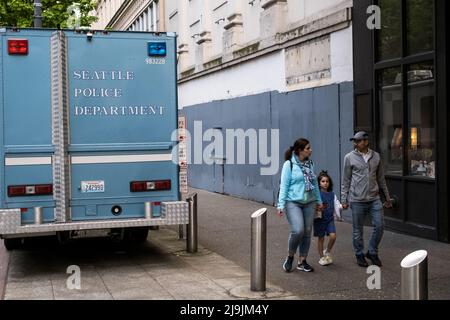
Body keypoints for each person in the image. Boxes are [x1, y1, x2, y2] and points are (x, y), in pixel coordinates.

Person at [341, 131, 392, 267]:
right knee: (358, 230)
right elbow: (345, 180)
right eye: (355, 141)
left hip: (374, 198)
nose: (355, 143)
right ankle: (359, 254)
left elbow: (381, 179)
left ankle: (372, 251)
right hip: (357, 200)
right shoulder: (349, 157)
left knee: (380, 226)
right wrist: (344, 199)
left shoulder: (376, 156)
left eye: (358, 141)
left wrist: (387, 198)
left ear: (366, 142)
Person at [277, 138, 324, 273]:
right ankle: (290, 256)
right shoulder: (289, 165)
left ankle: (302, 261)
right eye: (308, 148)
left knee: (307, 232)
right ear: (299, 150)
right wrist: (280, 205)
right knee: (298, 230)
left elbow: (314, 184)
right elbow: (284, 185)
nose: (311, 150)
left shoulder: (310, 164)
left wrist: (319, 201)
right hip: (293, 202)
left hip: (310, 202)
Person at [314, 171, 344, 266]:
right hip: (319, 220)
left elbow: (337, 204)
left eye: (327, 181)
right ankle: (321, 257)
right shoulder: (316, 194)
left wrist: (342, 206)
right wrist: (317, 208)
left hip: (329, 219)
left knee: (333, 236)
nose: (325, 183)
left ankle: (327, 251)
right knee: (321, 238)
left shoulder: (332, 194)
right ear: (319, 183)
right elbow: (313, 205)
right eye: (323, 181)